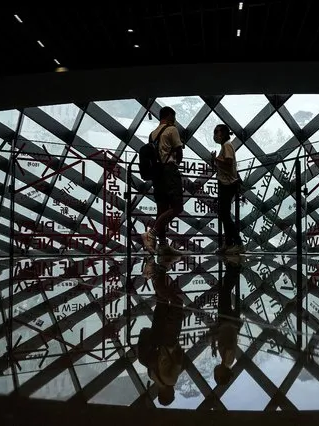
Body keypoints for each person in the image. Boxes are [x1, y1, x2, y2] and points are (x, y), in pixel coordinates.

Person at [137, 255, 184, 406]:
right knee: (162, 301)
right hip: (156, 332)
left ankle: (158, 271)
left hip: (169, 337)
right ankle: (155, 271)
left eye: (172, 394)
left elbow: (178, 361)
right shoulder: (152, 375)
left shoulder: (171, 380)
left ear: (169, 394)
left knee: (177, 302)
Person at [142, 106, 184, 256]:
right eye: (174, 116)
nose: (175, 119)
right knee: (177, 206)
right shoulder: (172, 130)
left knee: (162, 208)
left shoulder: (152, 134)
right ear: (169, 116)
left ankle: (163, 245)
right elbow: (179, 153)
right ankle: (151, 233)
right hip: (169, 171)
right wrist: (176, 160)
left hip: (157, 174)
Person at [209, 255, 243, 385]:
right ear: (222, 375)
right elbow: (228, 341)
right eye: (217, 375)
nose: (215, 373)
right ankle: (234, 268)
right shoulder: (228, 361)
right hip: (227, 321)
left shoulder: (227, 361)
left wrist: (214, 341)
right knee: (225, 291)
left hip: (228, 322)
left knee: (225, 291)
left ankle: (233, 268)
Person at [211, 124, 245, 254]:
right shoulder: (225, 147)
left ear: (224, 133)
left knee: (225, 215)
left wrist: (216, 159)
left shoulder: (226, 146)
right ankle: (229, 243)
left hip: (228, 184)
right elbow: (224, 165)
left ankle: (237, 243)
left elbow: (229, 162)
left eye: (217, 132)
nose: (215, 135)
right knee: (224, 215)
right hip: (226, 183)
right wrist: (215, 160)